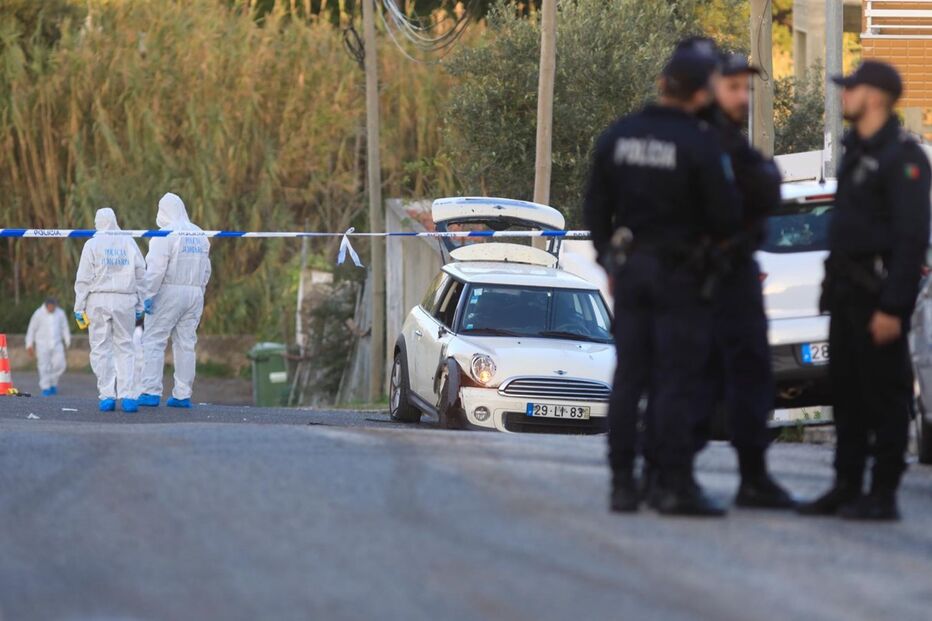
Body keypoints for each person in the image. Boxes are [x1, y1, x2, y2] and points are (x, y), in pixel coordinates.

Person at [584, 43, 741, 516]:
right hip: (680, 277)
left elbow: (594, 207)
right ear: (700, 94)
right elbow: (727, 215)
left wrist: (609, 260)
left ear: (661, 85)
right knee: (674, 380)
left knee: (630, 377)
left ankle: (621, 484)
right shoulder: (700, 142)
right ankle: (670, 483)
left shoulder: (619, 135)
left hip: (632, 272)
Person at [798, 61, 931, 521]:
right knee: (847, 392)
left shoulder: (903, 156)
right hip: (847, 295)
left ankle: (883, 493)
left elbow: (910, 237)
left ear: (874, 97)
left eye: (850, 89)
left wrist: (894, 307)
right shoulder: (858, 151)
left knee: (886, 396)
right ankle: (846, 484)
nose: (842, 95)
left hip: (880, 298)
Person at [696, 50, 795, 509]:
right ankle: (669, 474)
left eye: (746, 88)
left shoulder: (732, 142)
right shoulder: (698, 140)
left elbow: (766, 189)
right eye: (733, 87)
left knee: (751, 373)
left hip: (735, 275)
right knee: (695, 378)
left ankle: (753, 477)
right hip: (700, 278)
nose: (742, 96)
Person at [138, 193, 211, 409]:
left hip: (169, 292)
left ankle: (150, 392)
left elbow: (156, 270)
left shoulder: (165, 234)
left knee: (154, 340)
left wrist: (146, 296)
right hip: (195, 293)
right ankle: (182, 395)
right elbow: (207, 269)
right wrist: (200, 290)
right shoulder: (200, 234)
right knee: (186, 343)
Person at [73, 208, 146, 413]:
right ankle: (129, 396)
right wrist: (141, 303)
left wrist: (79, 307)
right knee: (126, 347)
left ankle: (107, 396)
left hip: (98, 300)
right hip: (125, 299)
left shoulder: (92, 244)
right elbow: (141, 273)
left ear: (97, 222)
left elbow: (84, 279)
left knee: (100, 347)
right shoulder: (129, 242)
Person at [25, 297, 71, 397]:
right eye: (49, 306)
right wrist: (29, 344)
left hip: (57, 344)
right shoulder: (38, 314)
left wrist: (67, 340)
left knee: (60, 364)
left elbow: (65, 327)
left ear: (55, 305)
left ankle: (53, 383)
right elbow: (31, 329)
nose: (51, 308)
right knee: (43, 366)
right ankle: (46, 387)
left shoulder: (60, 313)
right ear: (46, 305)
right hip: (42, 345)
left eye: (53, 306)